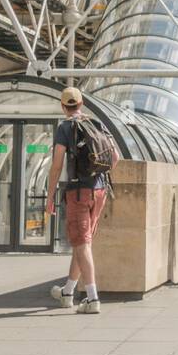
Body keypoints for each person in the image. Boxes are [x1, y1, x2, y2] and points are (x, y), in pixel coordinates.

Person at [45, 86, 115, 314]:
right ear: (82, 103)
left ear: (63, 106)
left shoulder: (65, 128)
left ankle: (93, 299)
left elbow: (56, 165)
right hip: (100, 190)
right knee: (82, 242)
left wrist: (50, 195)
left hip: (78, 192)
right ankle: (68, 292)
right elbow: (114, 158)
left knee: (82, 244)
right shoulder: (97, 123)